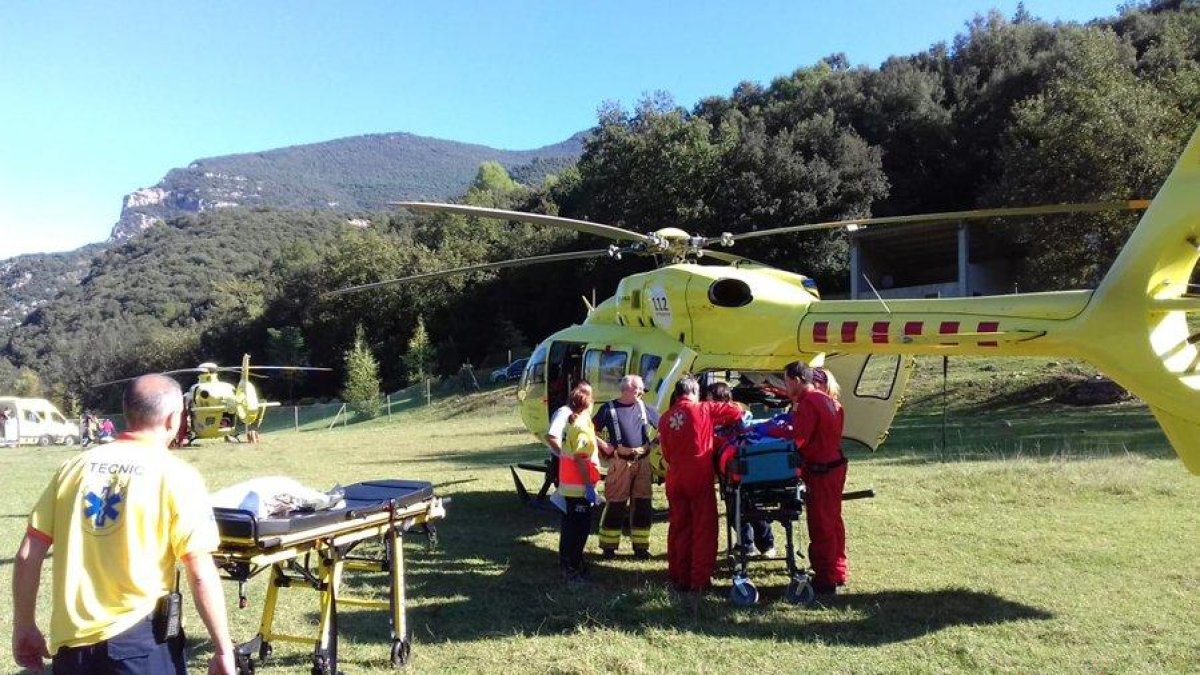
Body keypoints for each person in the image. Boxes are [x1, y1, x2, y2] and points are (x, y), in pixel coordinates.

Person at [11, 374, 236, 674]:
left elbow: (28, 553)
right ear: (173, 419)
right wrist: (223, 649)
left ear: (127, 412)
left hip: (72, 649)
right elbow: (200, 573)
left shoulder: (72, 468)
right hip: (140, 645)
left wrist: (24, 625)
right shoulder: (176, 474)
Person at [658, 376, 745, 602]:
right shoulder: (703, 409)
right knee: (703, 529)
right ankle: (699, 580)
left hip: (675, 477)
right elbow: (736, 411)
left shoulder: (665, 418)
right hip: (698, 476)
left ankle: (679, 576)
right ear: (695, 391)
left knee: (679, 528)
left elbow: (666, 452)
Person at [783, 361, 847, 595]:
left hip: (822, 470)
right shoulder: (828, 400)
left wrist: (779, 438)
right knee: (833, 521)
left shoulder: (809, 403)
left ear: (797, 380)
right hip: (835, 465)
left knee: (821, 524)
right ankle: (837, 570)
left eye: (787, 381)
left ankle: (825, 579)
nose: (786, 387)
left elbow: (800, 440)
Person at [592, 375, 660, 560]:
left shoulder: (645, 408)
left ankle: (641, 547)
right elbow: (589, 429)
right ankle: (608, 547)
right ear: (627, 389)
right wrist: (605, 445)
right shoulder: (608, 409)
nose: (642, 392)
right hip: (620, 463)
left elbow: (664, 425)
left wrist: (654, 443)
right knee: (616, 503)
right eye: (639, 389)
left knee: (643, 503)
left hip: (643, 463)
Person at [705, 382, 775, 559]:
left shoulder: (735, 411)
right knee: (733, 509)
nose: (707, 402)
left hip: (742, 467)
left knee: (752, 506)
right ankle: (745, 544)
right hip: (725, 470)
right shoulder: (710, 417)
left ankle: (766, 544)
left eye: (710, 398)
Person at [556, 382, 602, 582]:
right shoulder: (581, 427)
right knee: (579, 531)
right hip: (579, 488)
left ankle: (568, 564)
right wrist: (589, 486)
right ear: (587, 404)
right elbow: (581, 458)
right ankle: (572, 568)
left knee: (569, 528)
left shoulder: (572, 423)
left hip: (569, 486)